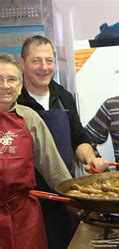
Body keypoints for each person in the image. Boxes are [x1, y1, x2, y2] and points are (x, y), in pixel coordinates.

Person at [17, 35, 108, 249]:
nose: (44, 67)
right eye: (36, 60)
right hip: (29, 197)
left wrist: (91, 159)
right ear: (22, 63)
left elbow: (78, 137)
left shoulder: (63, 96)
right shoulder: (14, 100)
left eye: (49, 61)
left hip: (62, 194)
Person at [0, 53, 71, 249]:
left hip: (24, 217)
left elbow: (54, 169)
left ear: (20, 85)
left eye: (11, 79)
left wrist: (78, 200)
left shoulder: (29, 118)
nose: (5, 85)